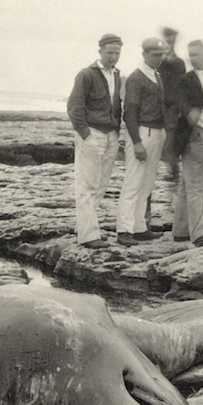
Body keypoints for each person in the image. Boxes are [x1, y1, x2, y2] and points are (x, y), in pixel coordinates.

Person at [67, 33, 123, 249]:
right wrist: (85, 134)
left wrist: (116, 133)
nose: (113, 57)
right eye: (110, 53)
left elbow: (117, 107)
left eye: (117, 53)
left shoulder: (117, 75)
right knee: (86, 186)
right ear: (100, 51)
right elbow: (74, 107)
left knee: (101, 185)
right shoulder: (86, 75)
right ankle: (89, 236)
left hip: (111, 135)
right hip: (91, 134)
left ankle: (87, 229)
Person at [117, 37, 170, 246]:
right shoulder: (136, 78)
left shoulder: (157, 76)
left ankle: (139, 227)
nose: (159, 59)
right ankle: (124, 229)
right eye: (155, 55)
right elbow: (129, 112)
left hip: (157, 132)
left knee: (147, 184)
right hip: (141, 132)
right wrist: (136, 142)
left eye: (161, 55)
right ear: (144, 54)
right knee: (133, 182)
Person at [169, 40, 203, 247]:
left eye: (196, 54)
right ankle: (199, 233)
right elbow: (177, 99)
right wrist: (188, 110)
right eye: (190, 55)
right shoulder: (186, 79)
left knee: (188, 184)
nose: (193, 58)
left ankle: (181, 230)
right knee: (196, 185)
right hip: (195, 136)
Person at [158, 27, 187, 183]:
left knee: (170, 142)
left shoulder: (179, 62)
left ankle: (174, 173)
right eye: (167, 40)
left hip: (172, 108)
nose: (170, 42)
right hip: (157, 107)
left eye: (172, 40)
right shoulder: (158, 60)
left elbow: (182, 86)